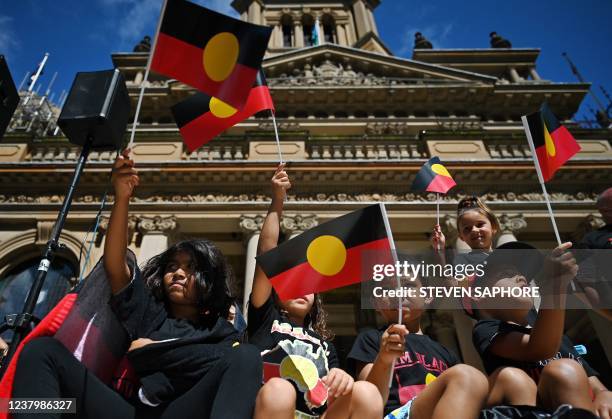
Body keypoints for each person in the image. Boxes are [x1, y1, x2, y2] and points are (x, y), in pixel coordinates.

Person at [12, 149, 263, 419]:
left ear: (209, 280)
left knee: (247, 357)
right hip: (130, 412)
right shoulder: (149, 312)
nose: (178, 273)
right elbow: (115, 267)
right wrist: (122, 198)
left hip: (185, 412)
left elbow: (230, 361)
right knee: (41, 352)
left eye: (191, 269)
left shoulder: (222, 330)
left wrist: (152, 351)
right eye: (172, 266)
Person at [249, 164, 383, 419]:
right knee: (279, 389)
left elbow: (333, 389)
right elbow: (267, 254)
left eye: (308, 287)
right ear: (276, 295)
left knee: (366, 391)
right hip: (273, 406)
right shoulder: (265, 320)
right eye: (292, 284)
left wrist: (342, 377)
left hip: (319, 414)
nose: (301, 291)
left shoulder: (325, 346)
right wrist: (278, 200)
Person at [469, 241, 612, 417]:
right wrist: (555, 286)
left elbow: (589, 376)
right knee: (561, 371)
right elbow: (540, 349)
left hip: (579, 404)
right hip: (536, 407)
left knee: (567, 369)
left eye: (523, 275)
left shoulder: (548, 328)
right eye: (507, 274)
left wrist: (603, 393)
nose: (521, 278)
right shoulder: (487, 329)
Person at [347, 270, 490, 419]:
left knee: (489, 379)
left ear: (428, 295)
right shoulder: (371, 339)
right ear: (376, 303)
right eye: (387, 289)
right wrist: (384, 359)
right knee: (467, 375)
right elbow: (367, 398)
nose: (398, 293)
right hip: (394, 414)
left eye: (408, 285)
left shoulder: (445, 353)